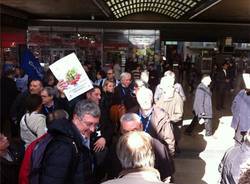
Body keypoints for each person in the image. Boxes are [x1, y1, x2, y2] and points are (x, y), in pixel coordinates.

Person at [39, 99, 100, 184]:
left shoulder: (81, 137)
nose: (93, 129)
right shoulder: (63, 147)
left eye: (96, 124)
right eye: (89, 124)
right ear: (75, 118)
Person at [107, 113, 174, 182]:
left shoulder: (157, 147)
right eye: (126, 131)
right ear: (121, 130)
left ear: (141, 127)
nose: (130, 134)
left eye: (134, 130)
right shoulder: (115, 148)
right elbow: (111, 173)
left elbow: (167, 174)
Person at [136, 87, 175, 156]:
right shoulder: (132, 113)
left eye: (147, 98)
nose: (144, 101)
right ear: (137, 100)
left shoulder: (162, 116)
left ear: (151, 99)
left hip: (154, 154)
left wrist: (169, 156)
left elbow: (169, 138)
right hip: (135, 154)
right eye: (141, 98)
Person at [231, 72, 250, 144]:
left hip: (246, 125)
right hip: (239, 124)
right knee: (238, 141)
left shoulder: (241, 92)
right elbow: (233, 106)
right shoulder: (241, 92)